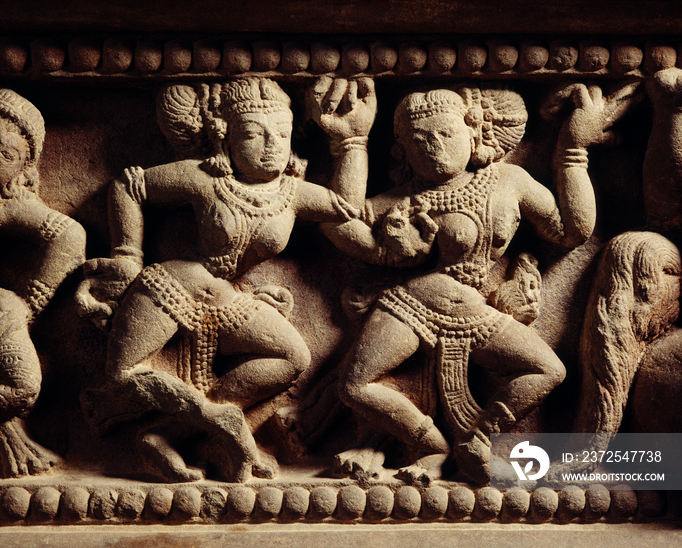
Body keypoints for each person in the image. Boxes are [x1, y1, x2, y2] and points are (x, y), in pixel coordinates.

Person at [311, 79, 637, 483]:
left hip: (471, 306)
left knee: (548, 369)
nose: (434, 145)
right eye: (418, 139)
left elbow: (573, 230)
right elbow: (341, 222)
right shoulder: (404, 199)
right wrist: (352, 144)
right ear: (403, 150)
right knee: (354, 385)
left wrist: (572, 151)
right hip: (412, 301)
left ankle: (481, 437)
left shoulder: (507, 181)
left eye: (446, 132)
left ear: (474, 131)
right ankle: (429, 443)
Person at [76, 78, 373, 482]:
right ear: (225, 137)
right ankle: (226, 427)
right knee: (122, 376)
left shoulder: (292, 192)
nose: (271, 143)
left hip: (227, 298)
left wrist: (351, 142)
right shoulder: (205, 178)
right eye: (254, 133)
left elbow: (349, 210)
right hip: (174, 285)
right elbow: (129, 187)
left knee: (292, 358)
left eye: (282, 133)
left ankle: (168, 435)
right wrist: (127, 256)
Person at [0, 89, 86, 477]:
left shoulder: (8, 202)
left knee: (24, 388)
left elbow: (69, 236)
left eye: (6, 156)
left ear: (23, 170)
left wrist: (29, 301)